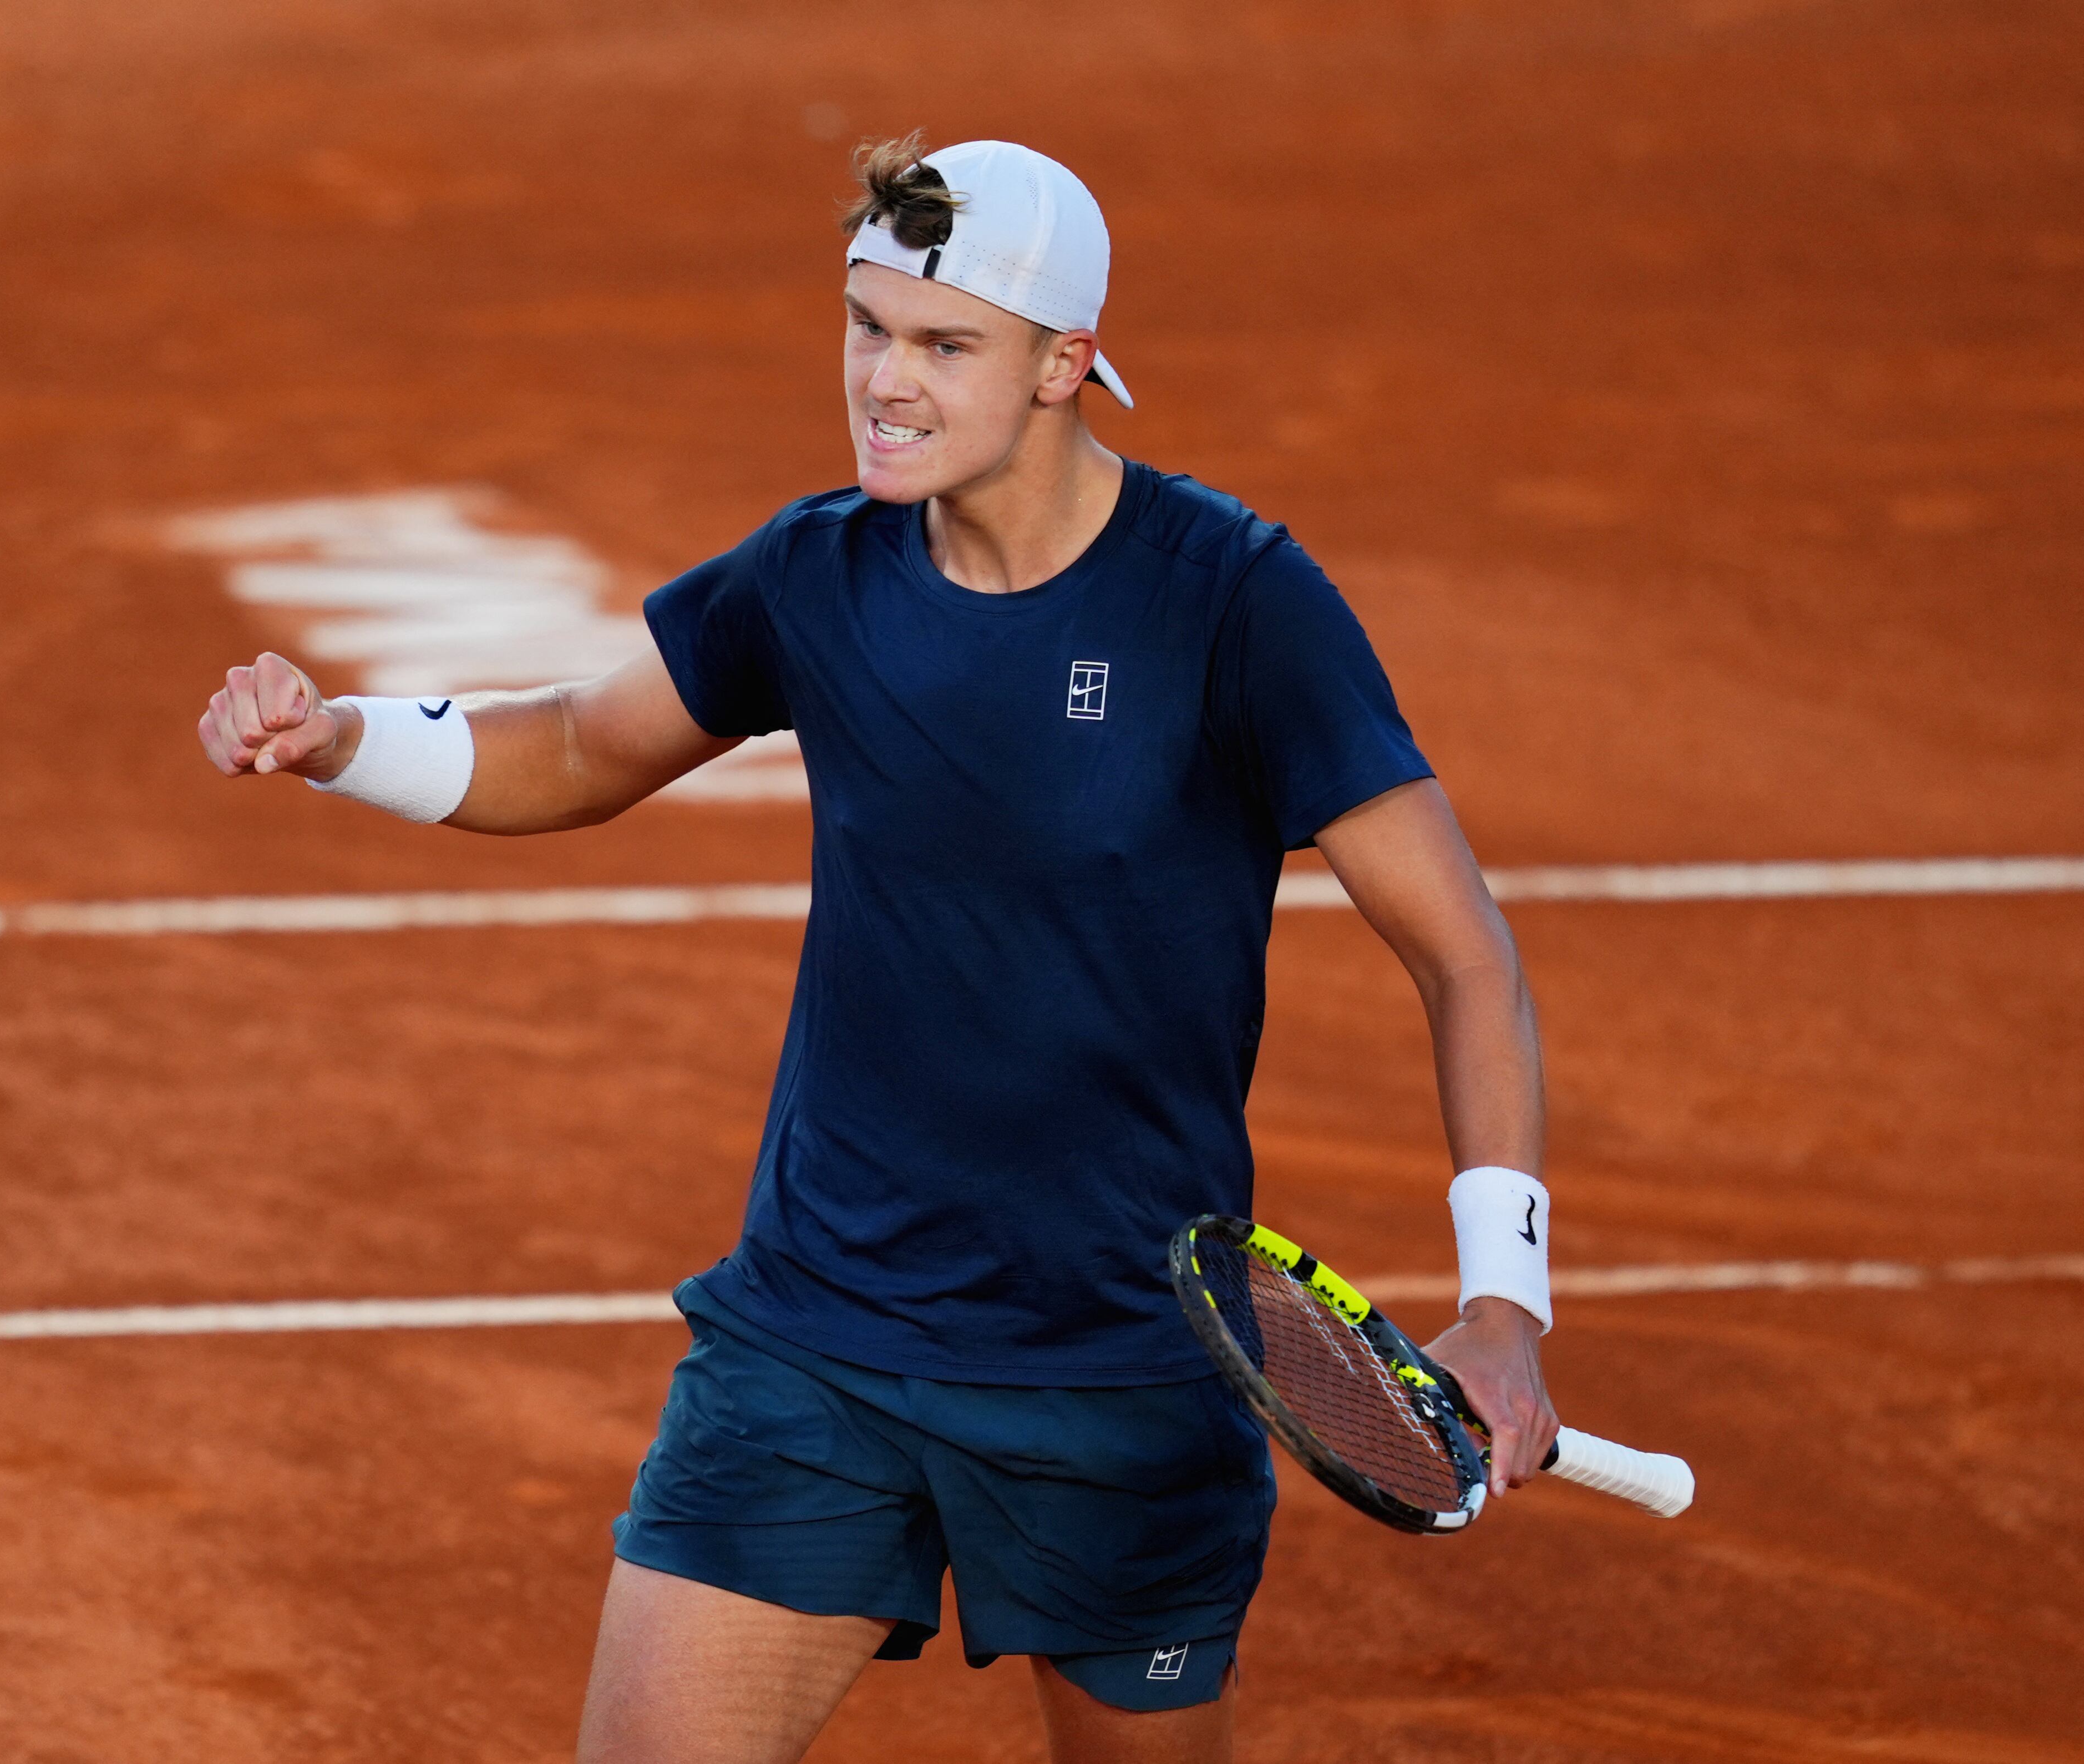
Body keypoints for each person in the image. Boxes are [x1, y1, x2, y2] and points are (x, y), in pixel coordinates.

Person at [197, 134, 1559, 1764]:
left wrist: (1507, 1307)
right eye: (864, 327)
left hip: (1115, 1376)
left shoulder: (1230, 602)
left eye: (942, 343)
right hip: (814, 1339)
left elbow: (1462, 952)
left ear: (1065, 365)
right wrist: (340, 734)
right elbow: (575, 742)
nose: (884, 383)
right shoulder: (818, 574)